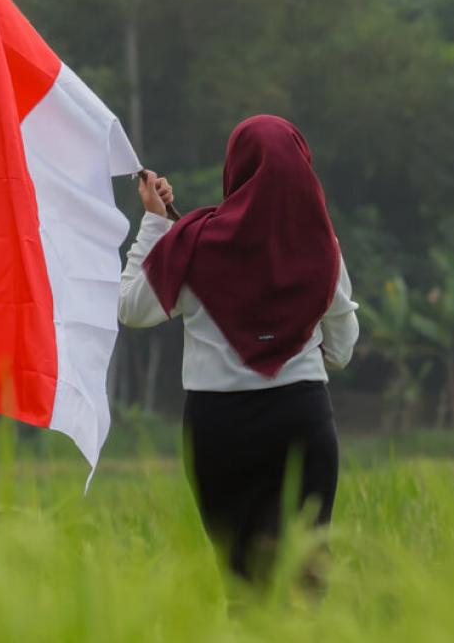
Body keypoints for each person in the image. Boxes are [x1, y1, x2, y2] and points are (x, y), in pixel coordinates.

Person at [118, 115, 359, 589]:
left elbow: (132, 309)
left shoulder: (192, 240)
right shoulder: (320, 246)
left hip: (220, 428)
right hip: (301, 417)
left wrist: (155, 224)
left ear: (235, 169)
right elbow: (344, 350)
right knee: (307, 575)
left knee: (241, 578)